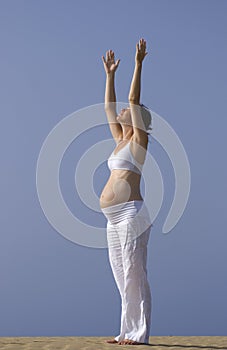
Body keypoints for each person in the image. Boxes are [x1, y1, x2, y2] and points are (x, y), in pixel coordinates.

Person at [100, 38, 153, 346]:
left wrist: (138, 64)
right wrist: (109, 76)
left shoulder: (139, 142)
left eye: (127, 110)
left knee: (135, 271)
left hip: (132, 214)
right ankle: (125, 332)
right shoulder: (120, 139)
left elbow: (133, 100)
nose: (121, 110)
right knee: (121, 273)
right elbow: (108, 106)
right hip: (112, 218)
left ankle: (139, 334)